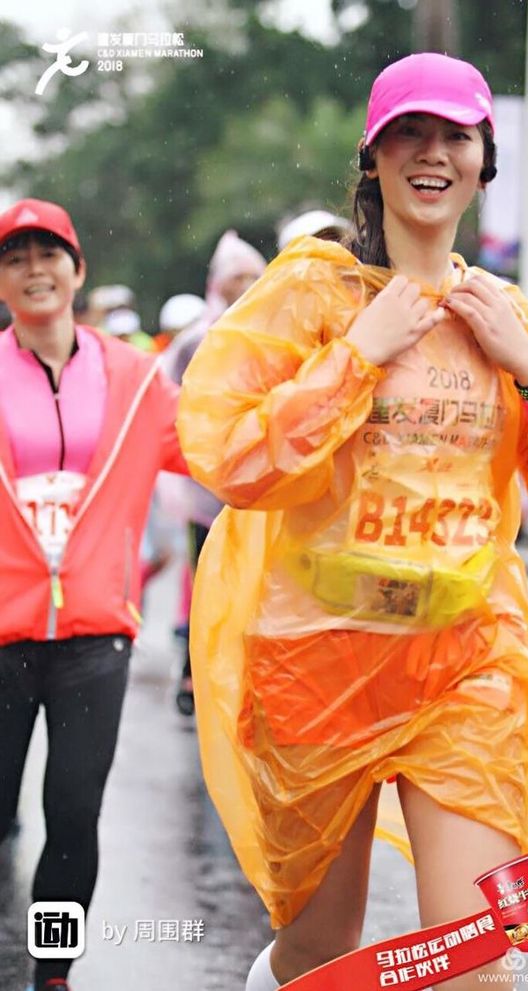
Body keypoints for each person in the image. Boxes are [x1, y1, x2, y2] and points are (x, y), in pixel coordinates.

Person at [178, 54, 528, 990]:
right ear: (373, 158)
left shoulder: (502, 312)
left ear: (483, 163)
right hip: (318, 664)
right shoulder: (312, 295)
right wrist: (357, 357)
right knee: (320, 957)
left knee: (475, 957)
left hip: (465, 663)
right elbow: (226, 455)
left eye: (455, 135)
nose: (433, 153)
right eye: (409, 133)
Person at [0, 198, 189, 991]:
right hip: (2, 637)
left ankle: (53, 970)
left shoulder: (137, 379)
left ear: (79, 270)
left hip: (95, 636)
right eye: (15, 258)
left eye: (50, 254)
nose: (34, 269)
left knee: (74, 813)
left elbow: (214, 452)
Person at [160, 233, 267, 715]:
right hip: (206, 486)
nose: (243, 286)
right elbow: (175, 407)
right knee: (207, 579)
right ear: (217, 285)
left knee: (258, 584)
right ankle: (195, 672)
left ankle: (248, 676)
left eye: (250, 277)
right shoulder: (196, 341)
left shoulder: (274, 332)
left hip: (265, 484)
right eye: (235, 278)